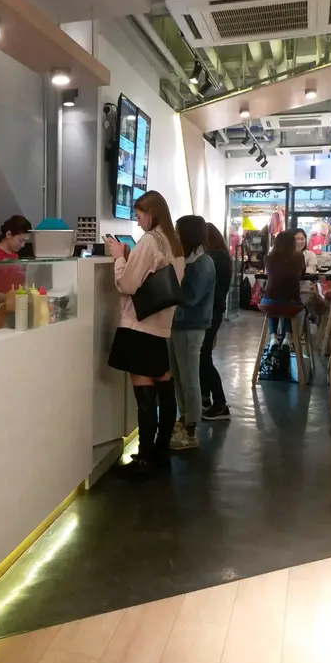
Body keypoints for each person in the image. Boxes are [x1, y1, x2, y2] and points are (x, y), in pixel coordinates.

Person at [106, 190, 185, 480]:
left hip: (138, 325)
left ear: (151, 213)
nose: (138, 222)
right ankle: (160, 451)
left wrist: (119, 258)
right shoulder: (174, 243)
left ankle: (145, 458)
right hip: (161, 326)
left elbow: (127, 284)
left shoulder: (150, 241)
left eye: (139, 216)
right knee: (164, 386)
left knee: (144, 394)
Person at [168, 216, 215, 450]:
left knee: (189, 380)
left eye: (178, 231)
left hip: (191, 327)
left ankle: (191, 430)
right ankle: (184, 419)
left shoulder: (203, 263)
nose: (175, 236)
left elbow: (190, 298)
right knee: (179, 377)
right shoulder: (189, 260)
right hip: (178, 326)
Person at [200, 223, 232, 422]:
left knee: (203, 357)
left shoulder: (214, 259)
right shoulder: (221, 256)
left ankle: (220, 403)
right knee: (204, 356)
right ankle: (206, 398)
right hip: (214, 312)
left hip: (210, 313)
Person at [261, 230, 305, 349]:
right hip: (292, 303)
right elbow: (302, 273)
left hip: (269, 303)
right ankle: (287, 338)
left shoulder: (268, 258)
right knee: (287, 304)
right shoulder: (299, 256)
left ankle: (273, 338)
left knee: (273, 304)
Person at [0, 215, 32, 298]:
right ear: (9, 234)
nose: (23, 245)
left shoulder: (15, 256)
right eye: (20, 240)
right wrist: (7, 297)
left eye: (25, 241)